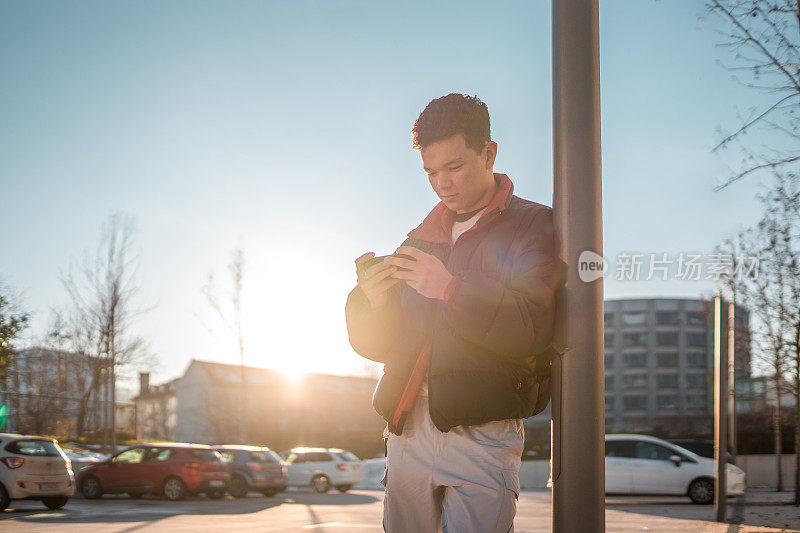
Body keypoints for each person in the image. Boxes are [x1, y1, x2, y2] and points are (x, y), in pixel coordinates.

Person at [345, 93, 560, 532]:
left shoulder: (534, 226)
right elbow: (380, 346)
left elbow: (530, 330)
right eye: (431, 172)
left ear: (489, 153)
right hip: (407, 429)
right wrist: (374, 301)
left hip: (485, 431)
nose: (443, 183)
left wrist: (448, 289)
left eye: (454, 167)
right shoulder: (421, 238)